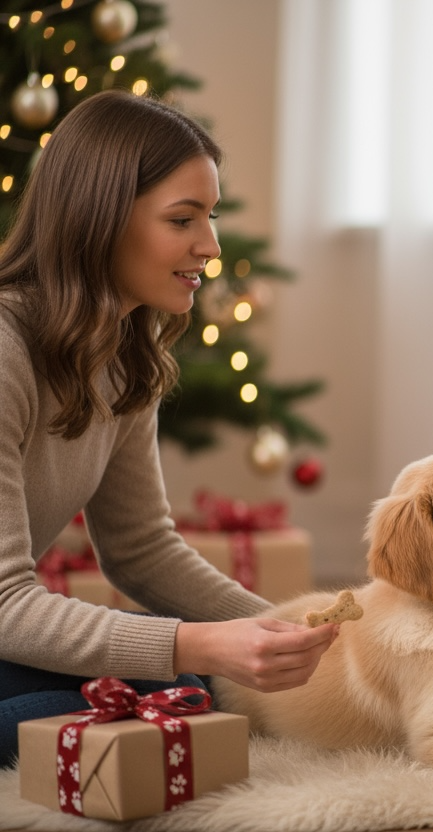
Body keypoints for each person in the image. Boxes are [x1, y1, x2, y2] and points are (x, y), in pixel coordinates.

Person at [0, 90, 338, 767]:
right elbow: (5, 603)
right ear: (98, 220)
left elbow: (141, 548)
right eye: (183, 219)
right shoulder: (6, 348)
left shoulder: (125, 354)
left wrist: (281, 626)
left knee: (177, 685)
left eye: (209, 218)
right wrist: (203, 644)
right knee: (182, 682)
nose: (210, 247)